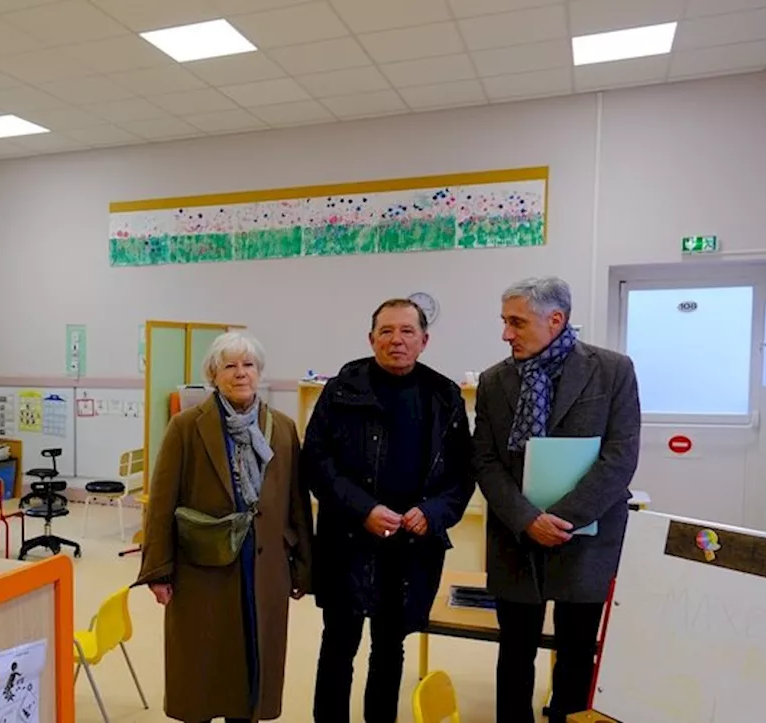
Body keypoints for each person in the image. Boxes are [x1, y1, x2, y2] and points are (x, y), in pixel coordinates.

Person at [472, 277, 640, 723]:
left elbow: (620, 457)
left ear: (556, 320)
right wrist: (528, 520)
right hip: (515, 533)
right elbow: (485, 460)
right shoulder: (493, 381)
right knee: (514, 651)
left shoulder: (612, 371)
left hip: (584, 536)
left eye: (517, 322)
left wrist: (561, 518)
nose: (507, 334)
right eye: (505, 322)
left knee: (577, 652)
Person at [305, 299, 475, 723]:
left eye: (406, 331)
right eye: (386, 331)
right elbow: (316, 462)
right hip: (348, 539)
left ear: (424, 340)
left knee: (390, 646)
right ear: (371, 338)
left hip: (411, 545)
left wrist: (432, 513)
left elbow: (461, 473)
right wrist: (364, 509)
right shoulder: (342, 389)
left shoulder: (444, 395)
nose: (396, 340)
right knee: (339, 644)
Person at [136, 330, 314, 723]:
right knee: (203, 658)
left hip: (264, 563)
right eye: (229, 366)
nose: (240, 374)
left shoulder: (281, 428)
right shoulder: (187, 426)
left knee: (254, 655)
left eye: (248, 365)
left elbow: (296, 503)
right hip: (203, 564)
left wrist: (302, 566)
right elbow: (162, 503)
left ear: (260, 372)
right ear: (213, 375)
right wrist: (158, 570)